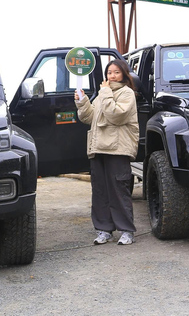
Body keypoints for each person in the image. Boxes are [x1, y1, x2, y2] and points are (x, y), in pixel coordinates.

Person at [74, 58, 139, 245]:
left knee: (119, 190)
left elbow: (116, 116)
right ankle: (104, 230)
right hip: (98, 148)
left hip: (117, 149)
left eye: (116, 72)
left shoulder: (126, 93)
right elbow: (90, 117)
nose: (112, 76)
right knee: (100, 191)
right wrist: (83, 102)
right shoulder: (104, 93)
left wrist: (105, 93)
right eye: (109, 72)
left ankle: (127, 231)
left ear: (124, 74)